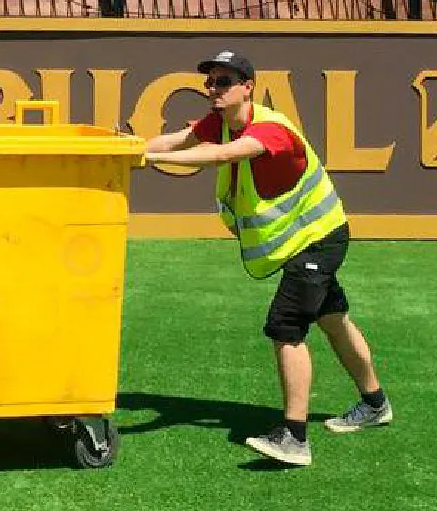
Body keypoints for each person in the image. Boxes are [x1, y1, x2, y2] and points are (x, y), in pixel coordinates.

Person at [143, 50, 392, 467]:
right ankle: (375, 404)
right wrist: (127, 150)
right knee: (333, 319)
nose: (213, 90)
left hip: (319, 238)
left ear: (247, 87)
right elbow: (176, 140)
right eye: (210, 82)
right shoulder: (220, 123)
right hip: (303, 242)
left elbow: (220, 156)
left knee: (286, 326)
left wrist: (153, 158)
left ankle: (294, 438)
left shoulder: (270, 130)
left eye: (223, 82)